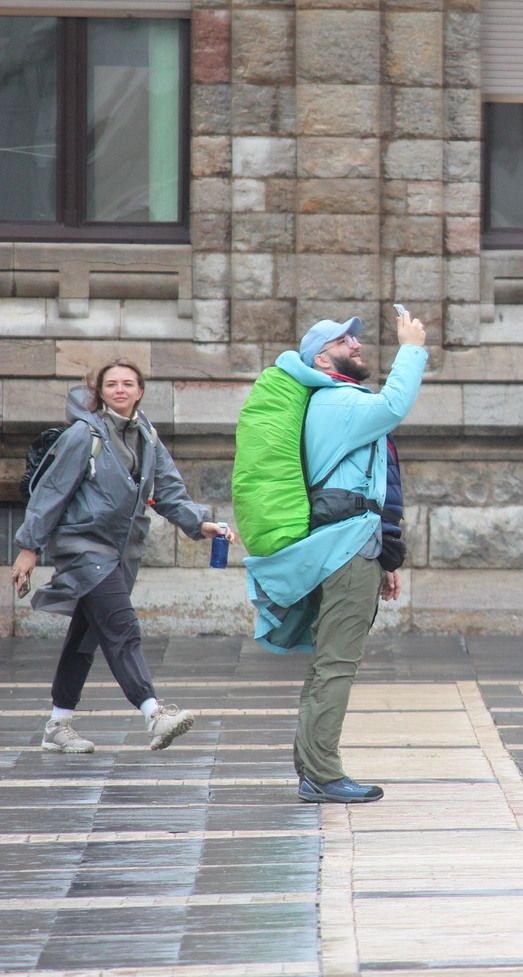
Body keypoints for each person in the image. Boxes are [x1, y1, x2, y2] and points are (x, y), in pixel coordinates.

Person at [244, 310, 428, 805]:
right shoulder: (337, 401)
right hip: (346, 547)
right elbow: (394, 406)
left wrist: (387, 557)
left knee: (328, 662)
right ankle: (323, 774)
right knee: (337, 663)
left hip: (354, 543)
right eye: (344, 340)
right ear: (322, 359)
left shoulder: (338, 401)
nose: (356, 344)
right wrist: (412, 348)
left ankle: (312, 767)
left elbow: (372, 487)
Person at [11, 360, 231, 753]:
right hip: (83, 547)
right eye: (111, 384)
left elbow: (168, 491)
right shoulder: (84, 435)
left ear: (140, 390)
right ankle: (154, 712)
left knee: (85, 636)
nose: (120, 390)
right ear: (100, 392)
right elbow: (52, 492)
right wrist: (29, 548)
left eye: (128, 383)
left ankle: (58, 725)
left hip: (118, 552)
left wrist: (201, 523)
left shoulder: (146, 435)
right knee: (121, 627)